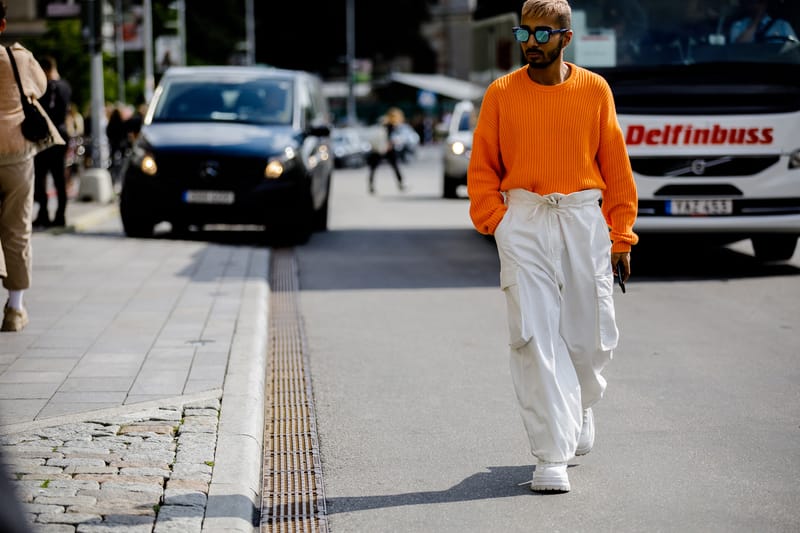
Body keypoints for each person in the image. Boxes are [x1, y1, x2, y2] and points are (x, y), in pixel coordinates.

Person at [467, 0, 638, 493]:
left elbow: (615, 164)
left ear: (567, 38)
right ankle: (550, 455)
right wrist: (498, 222)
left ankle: (580, 403)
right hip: (524, 220)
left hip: (583, 218)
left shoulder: (594, 89)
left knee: (592, 337)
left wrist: (621, 233)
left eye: (544, 35)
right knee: (533, 336)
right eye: (525, 34)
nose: (532, 44)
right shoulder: (501, 93)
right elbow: (482, 169)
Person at [0, 1, 49, 332]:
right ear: (2, 25)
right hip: (16, 151)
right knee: (17, 229)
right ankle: (15, 310)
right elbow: (41, 87)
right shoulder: (19, 57)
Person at [32, 55, 71, 228]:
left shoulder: (45, 87)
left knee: (40, 177)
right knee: (59, 178)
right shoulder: (65, 87)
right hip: (62, 135)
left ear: (45, 70)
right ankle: (60, 215)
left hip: (45, 136)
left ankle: (44, 214)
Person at [366, 107, 406, 194]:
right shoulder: (386, 125)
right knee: (375, 168)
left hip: (386, 149)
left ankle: (400, 184)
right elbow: (385, 137)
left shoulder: (387, 125)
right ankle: (371, 186)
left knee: (394, 167)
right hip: (382, 149)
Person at [729, 0, 798, 43]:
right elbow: (738, 48)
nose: (757, 6)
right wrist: (756, 21)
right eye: (752, 2)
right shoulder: (739, 25)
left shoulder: (782, 25)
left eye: (760, 2)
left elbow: (794, 49)